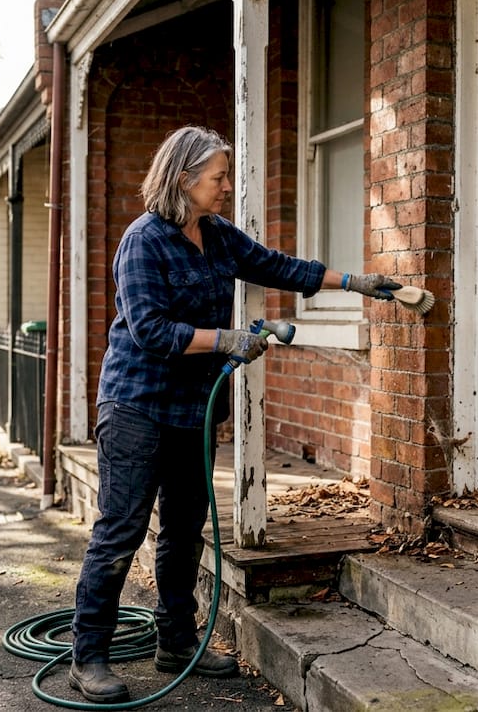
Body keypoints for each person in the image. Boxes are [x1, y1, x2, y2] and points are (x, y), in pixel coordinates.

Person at [68, 125, 401, 703]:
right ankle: (87, 656)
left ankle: (176, 641)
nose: (226, 186)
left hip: (193, 411)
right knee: (120, 530)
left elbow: (276, 266)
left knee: (181, 531)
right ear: (184, 178)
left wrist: (355, 282)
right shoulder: (143, 241)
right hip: (136, 407)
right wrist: (225, 340)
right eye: (218, 177)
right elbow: (149, 331)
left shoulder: (218, 236)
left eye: (225, 176)